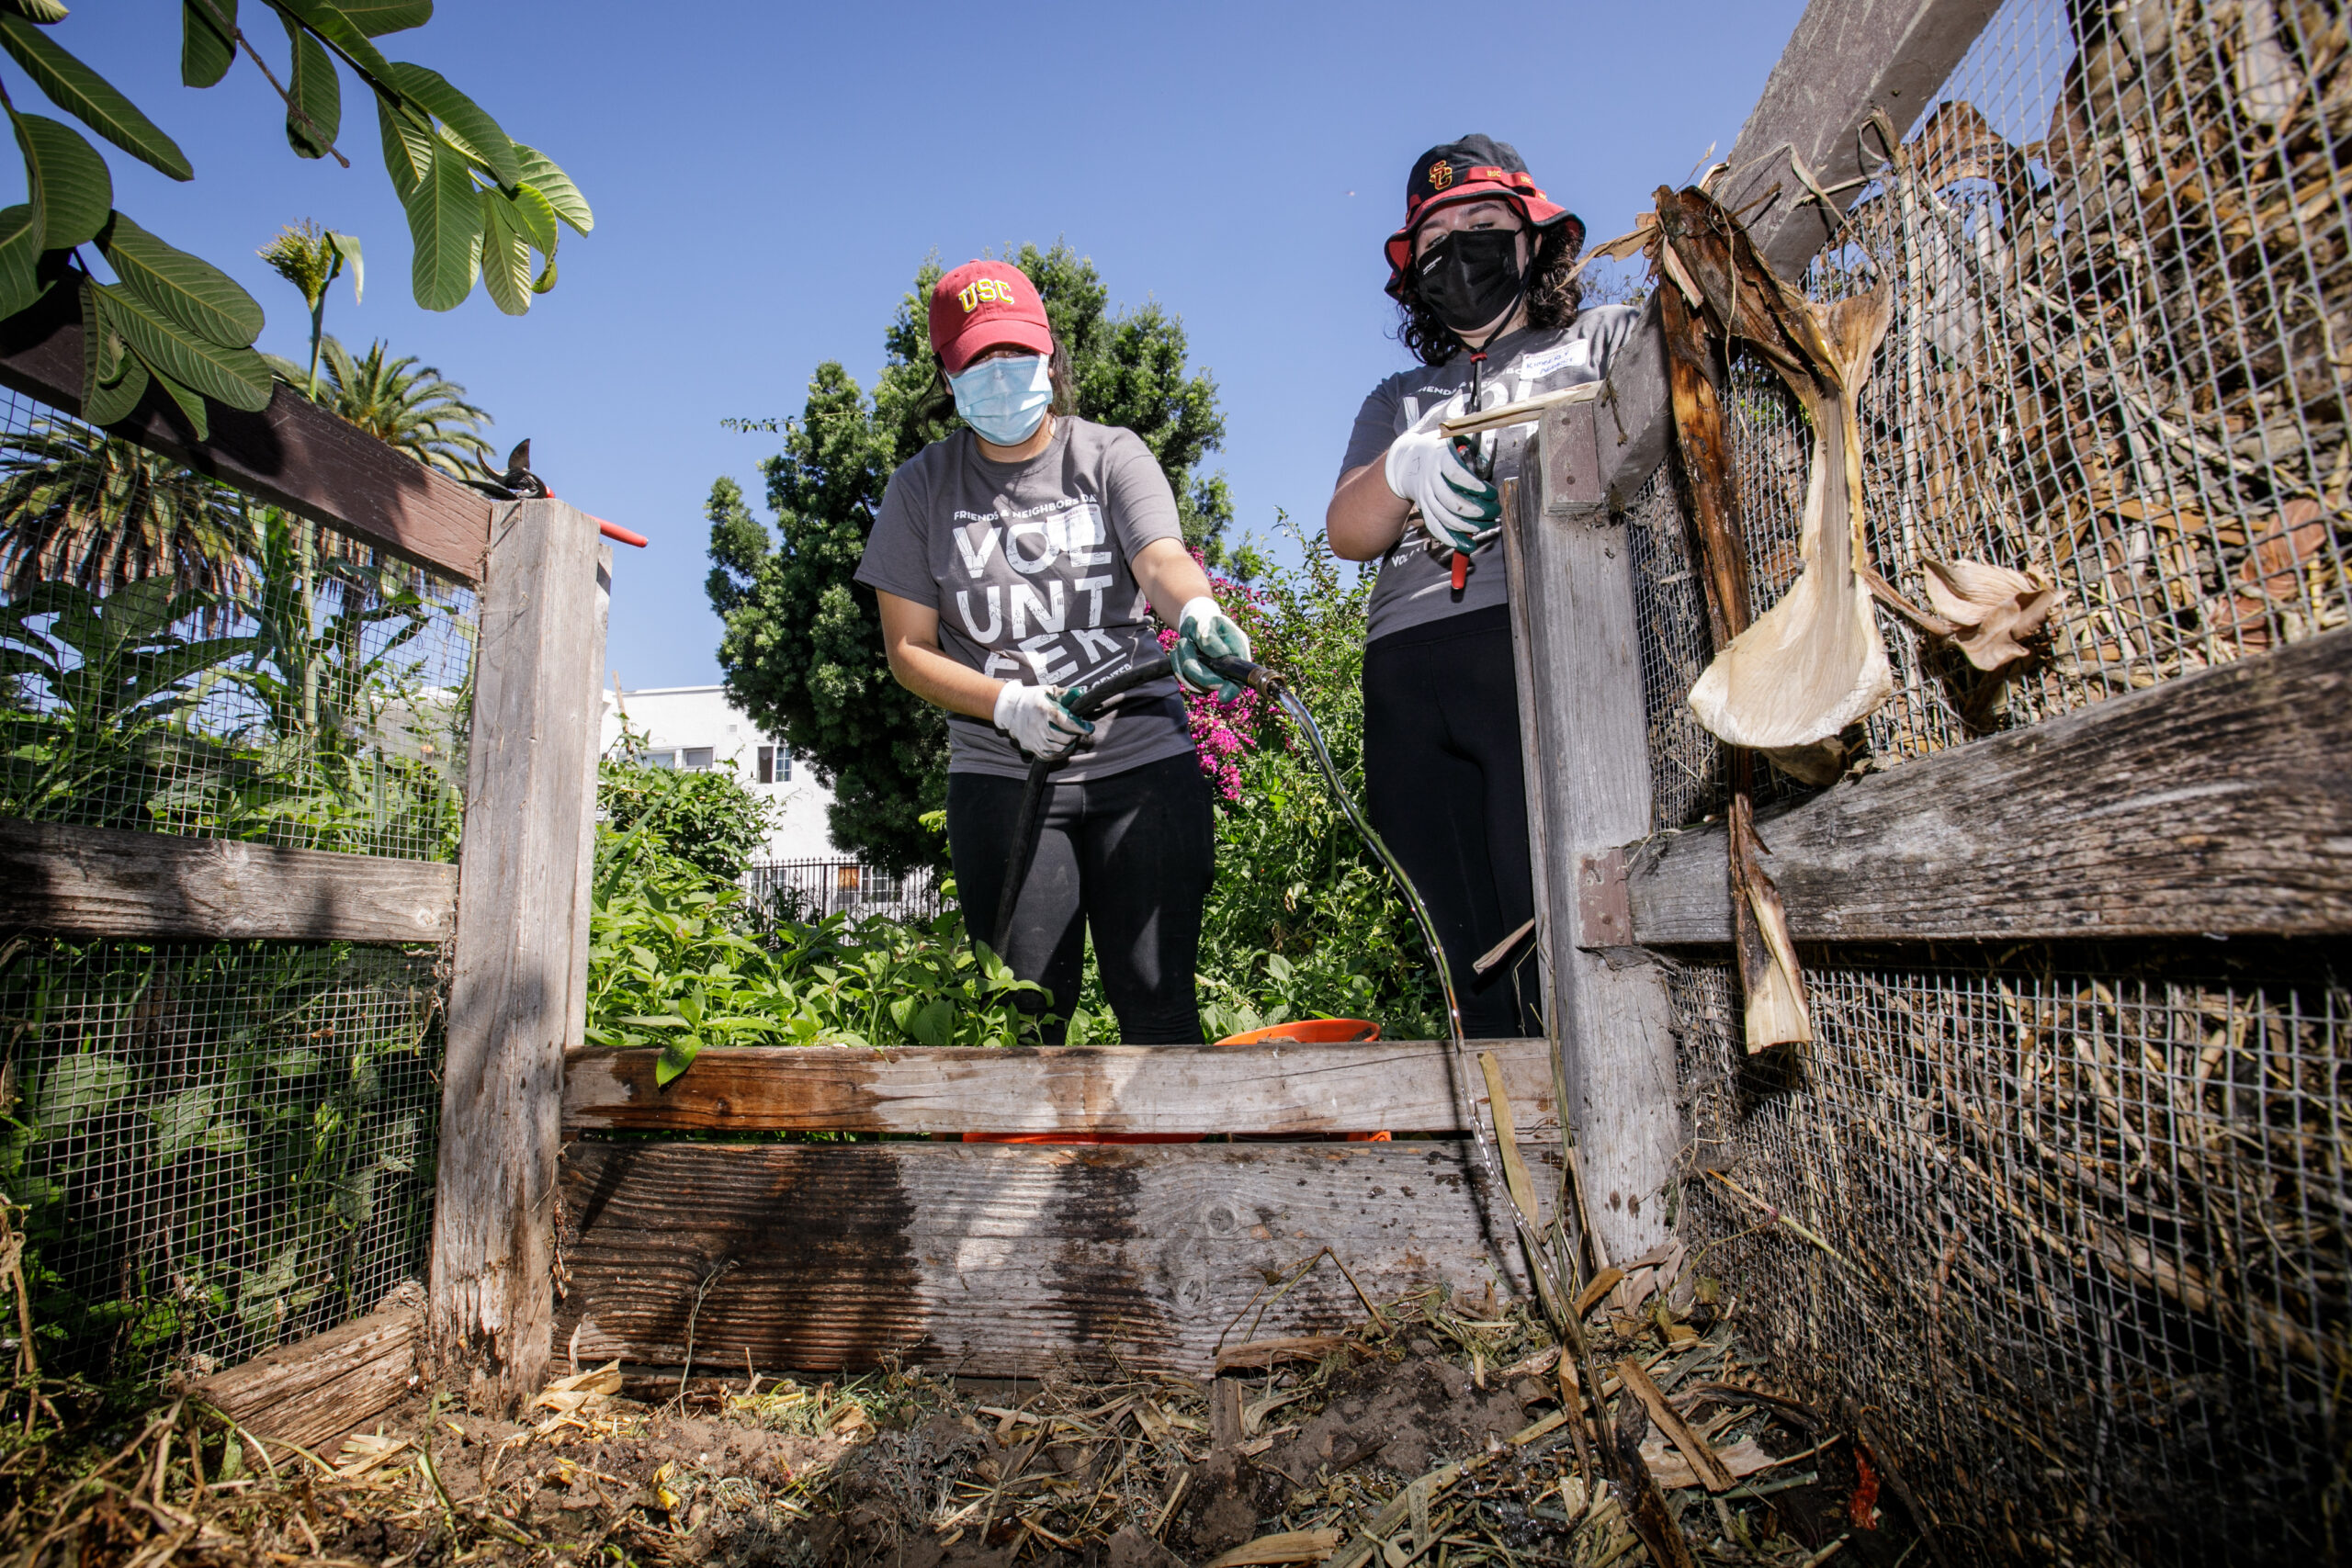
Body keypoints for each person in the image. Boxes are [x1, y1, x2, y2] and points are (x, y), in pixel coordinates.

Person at [856, 259, 1251, 1044]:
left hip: (1140, 762)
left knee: (1158, 1002)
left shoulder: (1110, 456)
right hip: (1004, 777)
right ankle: (1044, 1172)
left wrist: (1198, 607)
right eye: (978, 360)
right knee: (1029, 1020)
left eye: (1016, 353)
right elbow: (907, 648)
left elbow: (1162, 560)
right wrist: (1005, 704)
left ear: (1049, 354)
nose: (1002, 375)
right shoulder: (921, 488)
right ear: (948, 371)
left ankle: (1180, 1171)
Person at [1324, 135, 1639, 1038]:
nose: (1455, 247)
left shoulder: (1601, 341)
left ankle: (1592, 1128)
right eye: (1434, 238)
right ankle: (1519, 1152)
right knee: (1465, 939)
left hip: (1539, 646)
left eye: (1481, 223)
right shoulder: (1399, 395)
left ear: (1533, 238)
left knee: (1550, 905)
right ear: (1412, 273)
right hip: (1406, 668)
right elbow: (1349, 530)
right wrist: (1404, 467)